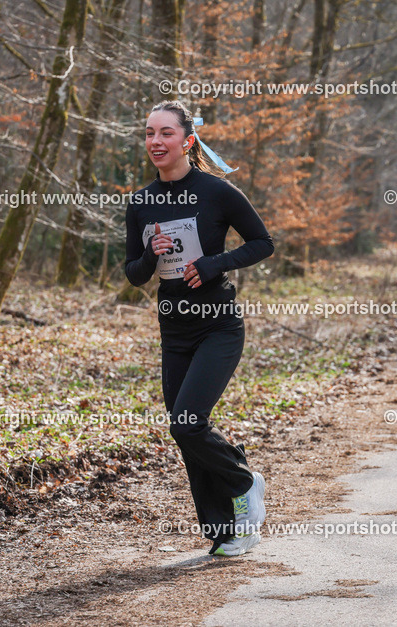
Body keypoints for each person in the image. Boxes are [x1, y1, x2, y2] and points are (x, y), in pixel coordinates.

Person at [125, 100, 274, 556]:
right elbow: (133, 273)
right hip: (175, 330)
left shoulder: (217, 192)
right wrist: (151, 253)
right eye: (150, 133)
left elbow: (262, 243)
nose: (155, 141)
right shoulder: (141, 202)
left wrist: (213, 265)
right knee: (185, 429)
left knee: (188, 424)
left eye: (166, 133)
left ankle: (244, 482)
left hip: (218, 327)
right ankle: (226, 530)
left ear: (187, 141)